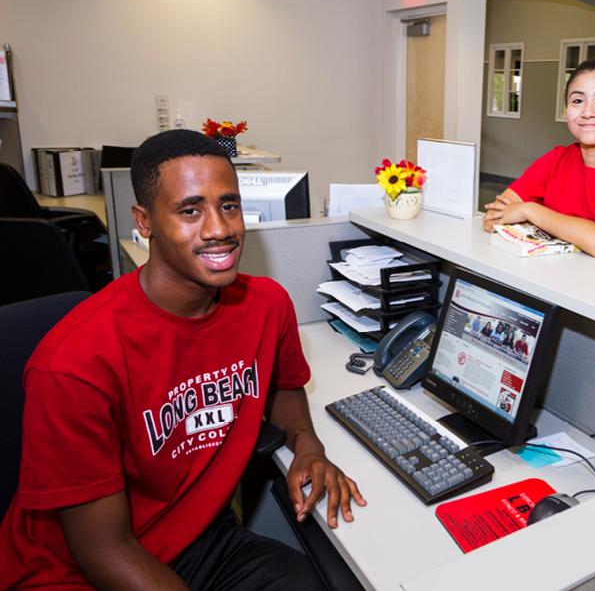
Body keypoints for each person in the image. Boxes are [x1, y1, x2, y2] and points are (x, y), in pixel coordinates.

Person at [0, 130, 366, 589]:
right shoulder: (73, 363)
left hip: (194, 539)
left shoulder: (266, 305)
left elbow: (283, 384)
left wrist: (307, 445)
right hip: (76, 571)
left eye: (228, 205)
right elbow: (102, 550)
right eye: (190, 210)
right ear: (144, 220)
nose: (219, 229)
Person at [482, 58, 595, 257]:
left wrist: (528, 211)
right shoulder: (557, 159)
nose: (588, 112)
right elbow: (495, 216)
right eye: (577, 101)